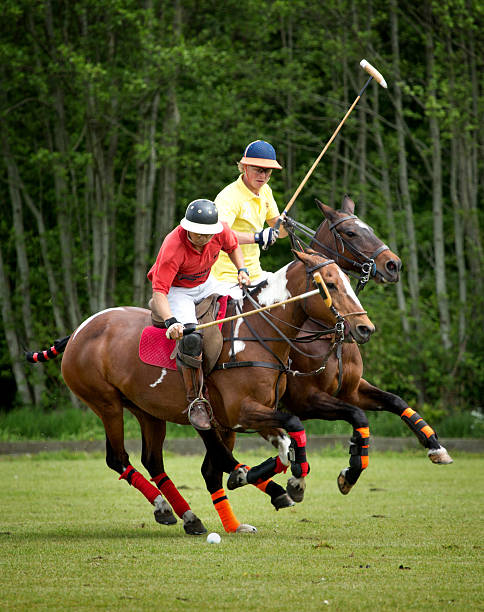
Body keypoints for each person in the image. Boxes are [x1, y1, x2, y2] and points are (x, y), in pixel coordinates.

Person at [147, 199, 250, 431]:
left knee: (247, 305)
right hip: (178, 291)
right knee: (192, 338)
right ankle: (196, 401)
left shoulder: (220, 231)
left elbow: (233, 246)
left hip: (207, 282)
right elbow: (159, 292)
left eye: (207, 234)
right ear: (187, 227)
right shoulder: (173, 246)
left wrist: (242, 270)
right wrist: (171, 322)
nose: (203, 238)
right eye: (197, 233)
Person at [210, 139, 288, 292]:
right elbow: (218, 234)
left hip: (256, 273)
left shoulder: (266, 191)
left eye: (268, 171)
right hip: (226, 278)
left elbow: (280, 232)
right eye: (258, 169)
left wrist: (285, 226)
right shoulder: (228, 196)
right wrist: (257, 237)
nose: (263, 176)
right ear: (244, 167)